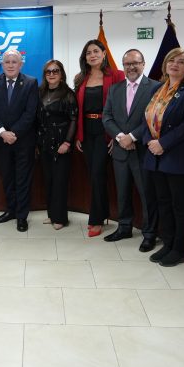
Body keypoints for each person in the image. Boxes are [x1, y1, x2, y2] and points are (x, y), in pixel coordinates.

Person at [143, 48, 184, 267]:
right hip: (156, 157)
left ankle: (180, 249)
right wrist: (149, 142)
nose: (175, 65)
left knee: (180, 206)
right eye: (171, 60)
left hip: (179, 157)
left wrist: (163, 143)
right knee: (163, 203)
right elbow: (147, 117)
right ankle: (168, 243)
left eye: (180, 62)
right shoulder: (159, 89)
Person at [102, 49, 161, 252]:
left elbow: (154, 118)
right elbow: (107, 117)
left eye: (135, 63)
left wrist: (133, 137)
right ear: (123, 66)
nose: (131, 67)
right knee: (123, 193)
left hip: (143, 151)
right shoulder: (115, 89)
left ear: (143, 64)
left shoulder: (155, 87)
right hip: (121, 151)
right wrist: (121, 138)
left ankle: (149, 234)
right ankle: (124, 227)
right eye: (127, 64)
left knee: (147, 195)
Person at [74, 40, 126, 237]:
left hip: (107, 130)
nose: (92, 55)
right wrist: (78, 135)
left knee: (97, 173)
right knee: (94, 175)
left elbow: (122, 106)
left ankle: (95, 219)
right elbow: (78, 109)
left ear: (104, 54)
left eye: (96, 51)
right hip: (87, 131)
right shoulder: (81, 78)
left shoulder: (117, 75)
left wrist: (116, 133)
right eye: (88, 53)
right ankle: (102, 213)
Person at [0, 50, 38, 232]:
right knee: (7, 178)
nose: (10, 65)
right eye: (7, 62)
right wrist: (2, 133)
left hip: (23, 141)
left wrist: (13, 133)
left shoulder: (31, 82)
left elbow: (30, 113)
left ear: (20, 64)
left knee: (22, 180)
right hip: (1, 141)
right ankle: (11, 210)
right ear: (2, 64)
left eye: (14, 62)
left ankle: (22, 216)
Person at [36, 60, 77, 230]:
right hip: (44, 143)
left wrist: (67, 142)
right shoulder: (40, 92)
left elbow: (73, 119)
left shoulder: (68, 94)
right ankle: (52, 214)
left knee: (60, 182)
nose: (52, 74)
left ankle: (60, 218)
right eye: (48, 71)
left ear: (61, 74)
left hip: (61, 143)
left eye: (55, 71)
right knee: (49, 180)